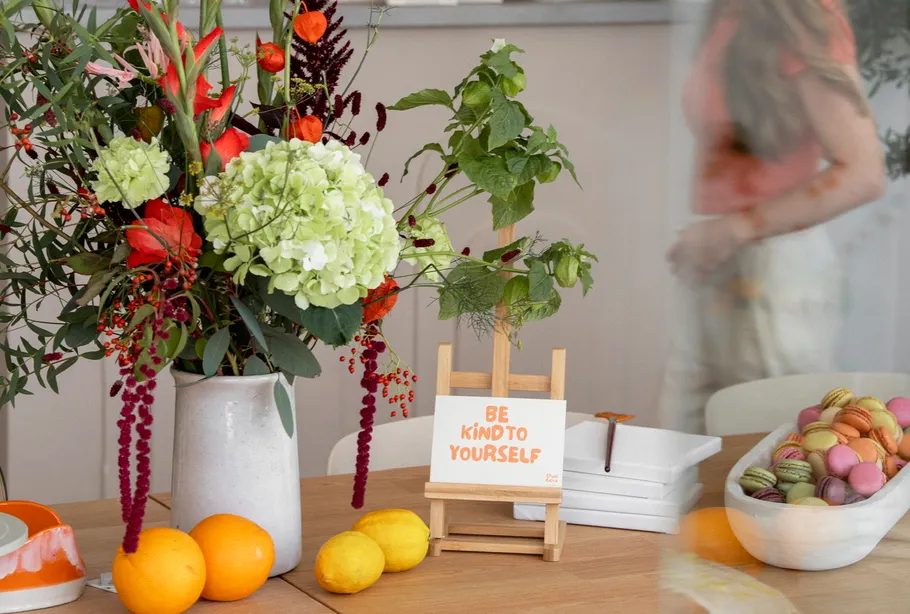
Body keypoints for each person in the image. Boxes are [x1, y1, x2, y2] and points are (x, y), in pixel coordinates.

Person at [659, 0, 887, 434]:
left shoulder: (801, 13)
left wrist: (735, 229)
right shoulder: (727, 11)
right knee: (687, 435)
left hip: (771, 268)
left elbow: (863, 173)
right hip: (715, 257)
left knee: (768, 439)